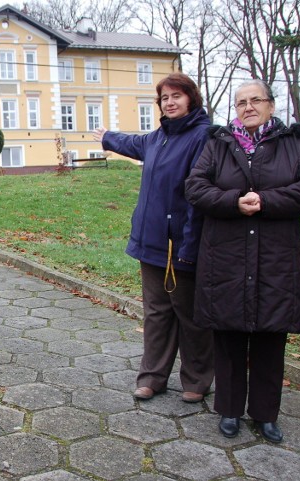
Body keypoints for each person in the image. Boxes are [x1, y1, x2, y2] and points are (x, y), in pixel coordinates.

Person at [185, 80, 300, 443]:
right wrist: (234, 201)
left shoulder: (293, 143)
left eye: (255, 101)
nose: (247, 107)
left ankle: (266, 415)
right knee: (229, 335)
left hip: (276, 258)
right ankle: (229, 411)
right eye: (240, 102)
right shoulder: (218, 144)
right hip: (226, 257)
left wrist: (265, 201)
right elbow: (196, 187)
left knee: (269, 337)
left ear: (271, 105)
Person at [93, 73, 214, 403]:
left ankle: (197, 379)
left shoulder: (202, 137)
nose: (170, 102)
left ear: (191, 98)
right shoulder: (160, 136)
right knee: (157, 313)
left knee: (189, 316)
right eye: (164, 98)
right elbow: (134, 144)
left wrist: (189, 248)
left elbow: (198, 197)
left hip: (183, 245)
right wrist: (107, 137)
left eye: (177, 96)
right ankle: (152, 377)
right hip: (152, 244)